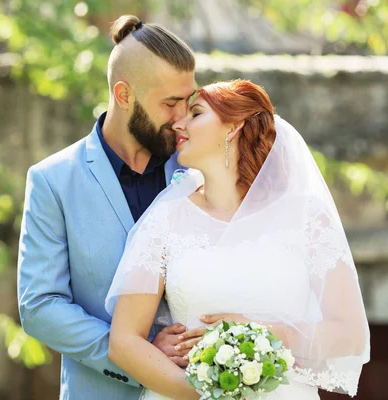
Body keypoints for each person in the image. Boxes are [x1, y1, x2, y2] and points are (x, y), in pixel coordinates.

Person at [106, 80, 370, 399]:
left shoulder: (307, 218)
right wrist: (206, 394)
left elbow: (350, 335)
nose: (178, 122)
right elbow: (123, 342)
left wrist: (261, 331)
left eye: (196, 113)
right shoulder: (166, 218)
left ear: (233, 126)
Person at [17, 15, 201, 400]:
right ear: (123, 95)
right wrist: (141, 355)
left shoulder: (201, 167)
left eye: (189, 100)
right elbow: (40, 306)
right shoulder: (53, 181)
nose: (183, 117)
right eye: (170, 103)